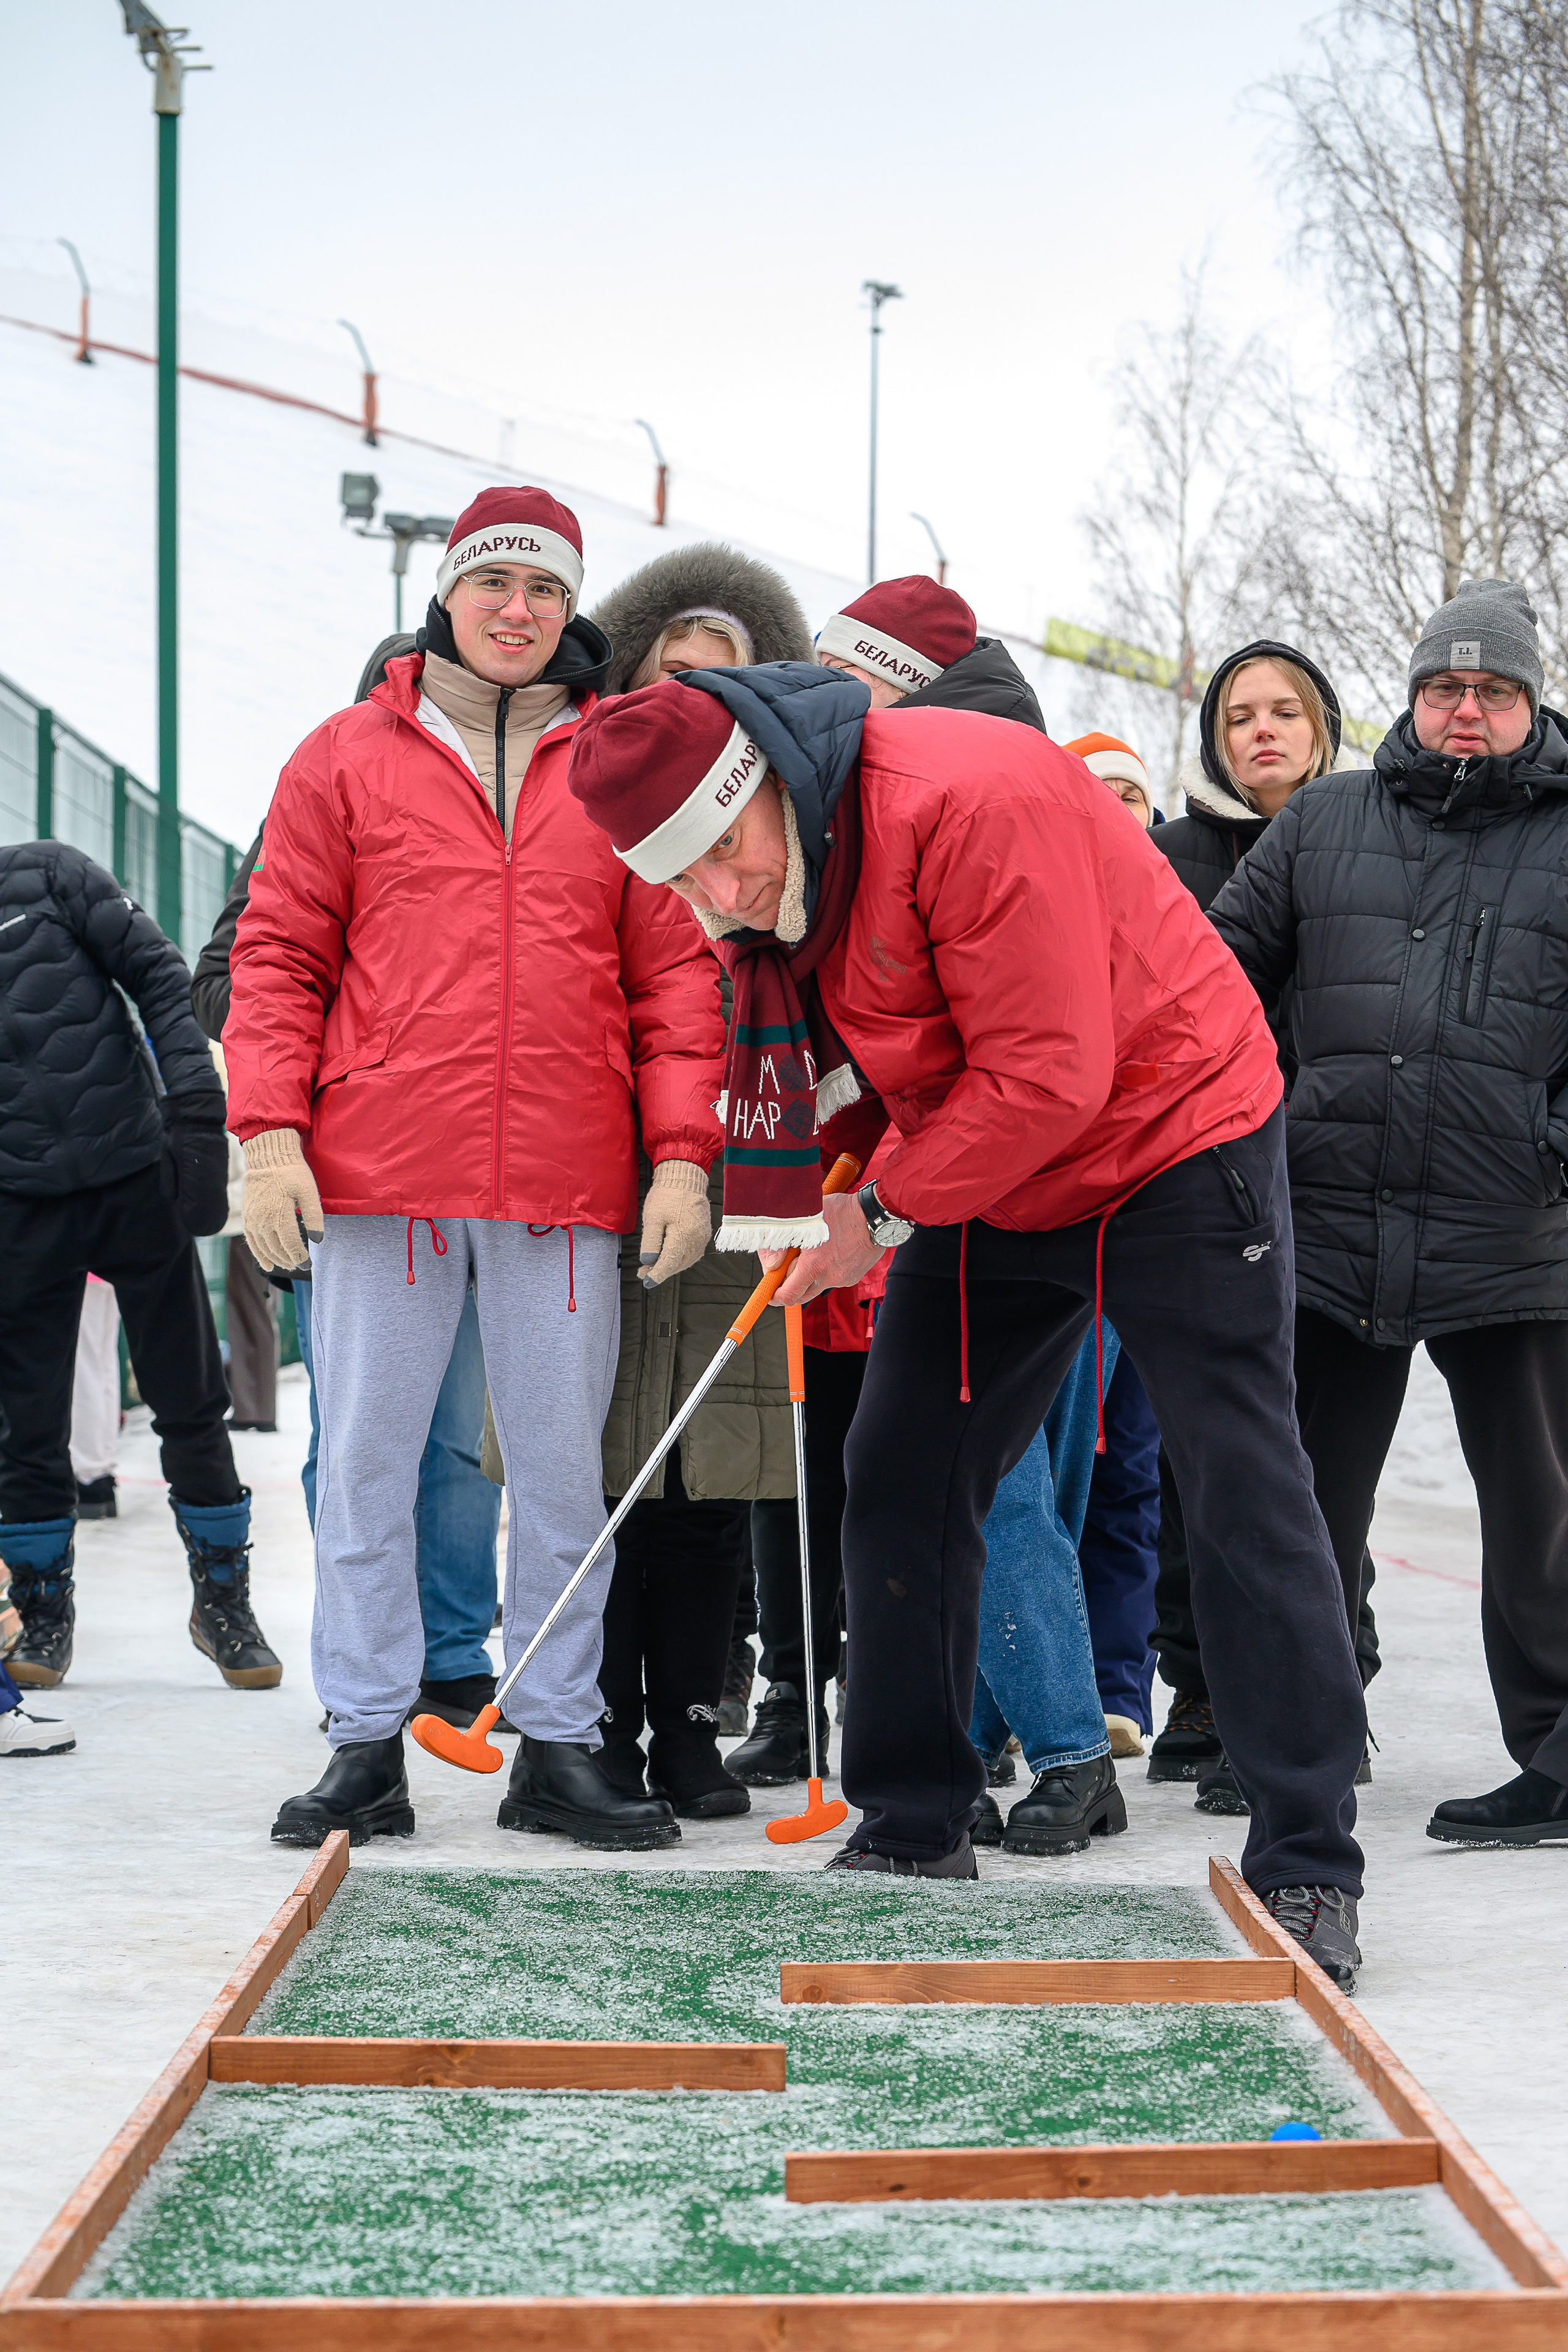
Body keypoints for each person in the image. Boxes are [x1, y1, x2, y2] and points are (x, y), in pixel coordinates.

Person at [568, 661, 1370, 1986]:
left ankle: (1305, 1862)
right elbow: (864, 1049)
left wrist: (871, 1216)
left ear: (765, 782)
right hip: (992, 1164)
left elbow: (1052, 1071)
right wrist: (814, 1177)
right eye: (680, 879)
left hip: (1171, 1134)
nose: (716, 896)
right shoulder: (778, 878)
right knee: (901, 1469)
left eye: (722, 852)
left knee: (1239, 1484)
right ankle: (910, 1815)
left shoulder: (966, 798)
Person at [224, 487, 725, 1853]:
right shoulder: (343, 757)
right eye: (495, 583)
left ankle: (558, 1745)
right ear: (448, 593)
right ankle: (364, 1741)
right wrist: (267, 1134)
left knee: (563, 1474)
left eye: (546, 590)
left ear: (575, 611)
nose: (518, 611)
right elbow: (278, 954)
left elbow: (676, 977)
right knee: (370, 1468)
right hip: (382, 1171)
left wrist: (681, 1156)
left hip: (562, 1180)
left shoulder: (618, 761)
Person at [1210, 581, 1568, 1850]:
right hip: (1331, 1220)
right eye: (1441, 689)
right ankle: (1300, 1747)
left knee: (1538, 1509)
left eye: (1491, 691)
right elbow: (1217, 979)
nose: (1463, 710)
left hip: (1510, 1233)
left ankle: (1559, 1758)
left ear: (1528, 703)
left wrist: (1550, 1144)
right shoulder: (1324, 819)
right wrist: (1250, 1124)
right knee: (1306, 1504)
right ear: (1411, 699)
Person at [195, 703, 505, 1738]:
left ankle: (456, 1653)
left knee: (456, 1437)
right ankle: (364, 1662)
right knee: (355, 1443)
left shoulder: (498, 831)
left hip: (474, 1174)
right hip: (347, 1185)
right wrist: (340, 1041)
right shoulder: (318, 811)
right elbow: (230, 981)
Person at [585, 542, 812, 1817]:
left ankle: (688, 1716)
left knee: (712, 1457)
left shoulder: (776, 811)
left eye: (723, 680)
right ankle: (598, 1719)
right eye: (673, 673)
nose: (693, 699)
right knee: (607, 1453)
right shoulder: (593, 799)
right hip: (606, 1160)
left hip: (745, 1145)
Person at [1148, 644, 1379, 1809]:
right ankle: (1200, 1689)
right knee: (1207, 1454)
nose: (1264, 732)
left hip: (1336, 1183)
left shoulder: (1376, 840)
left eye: (1287, 711)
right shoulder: (1174, 855)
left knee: (1320, 1461)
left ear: (1325, 725)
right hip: (1203, 1182)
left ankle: (1333, 1673)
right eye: (1240, 716)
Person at [0, 842, 281, 1702]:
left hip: (132, 1175)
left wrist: (196, 1111)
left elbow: (160, 978)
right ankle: (42, 1610)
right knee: (28, 1428)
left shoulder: (49, 876)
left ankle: (223, 1603)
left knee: (192, 1402)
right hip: (19, 1201)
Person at [1061, 733, 1166, 1761]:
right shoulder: (1032, 909)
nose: (1120, 809)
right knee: (1058, 1468)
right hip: (1056, 1230)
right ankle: (1032, 1686)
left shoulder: (1179, 919)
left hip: (1155, 1230)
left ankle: (1117, 1684)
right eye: (1100, 792)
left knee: (1133, 1463)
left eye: (1135, 793)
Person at [815, 574, 1046, 726]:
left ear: (903, 686)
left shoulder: (957, 768)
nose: (818, 683)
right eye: (818, 667)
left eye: (836, 669)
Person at [70, 1275, 122, 1518]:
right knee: (102, 1363)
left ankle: (86, 1473)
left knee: (84, 1365)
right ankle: (100, 1469)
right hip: (112, 1259)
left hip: (78, 1259)